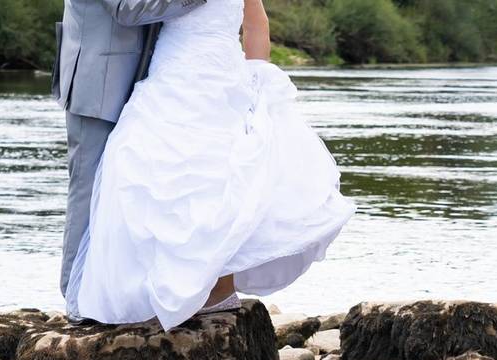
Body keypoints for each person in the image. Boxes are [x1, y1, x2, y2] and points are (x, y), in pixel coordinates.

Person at [64, 0, 356, 330]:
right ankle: (154, 288)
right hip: (173, 70)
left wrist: (258, 77)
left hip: (221, 74)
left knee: (223, 172)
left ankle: (214, 287)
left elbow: (257, 23)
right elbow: (130, 9)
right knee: (159, 169)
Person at [53, 0, 207, 304]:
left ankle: (113, 292)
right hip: (97, 83)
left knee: (126, 193)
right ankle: (74, 295)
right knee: (87, 190)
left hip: (136, 81)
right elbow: (127, 9)